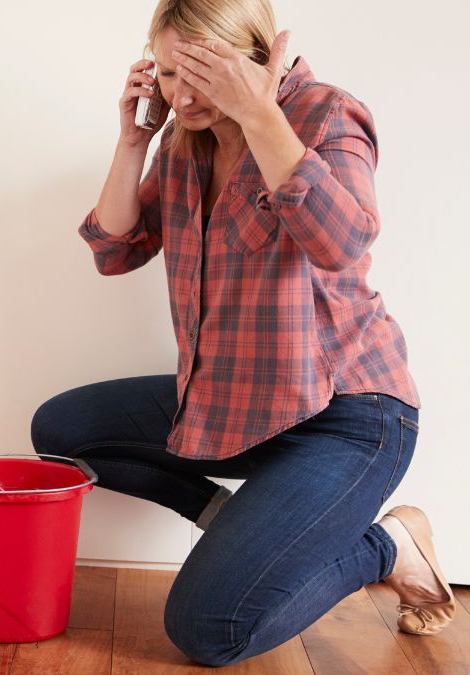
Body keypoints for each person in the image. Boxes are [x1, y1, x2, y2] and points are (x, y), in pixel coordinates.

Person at [30, 0, 455, 666]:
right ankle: (231, 524)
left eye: (206, 70)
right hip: (242, 402)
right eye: (172, 74)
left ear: (258, 57)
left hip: (351, 415)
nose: (187, 93)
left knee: (208, 627)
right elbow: (114, 250)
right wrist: (133, 139)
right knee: (62, 430)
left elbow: (342, 240)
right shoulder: (181, 142)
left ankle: (388, 547)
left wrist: (260, 114)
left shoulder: (327, 114)